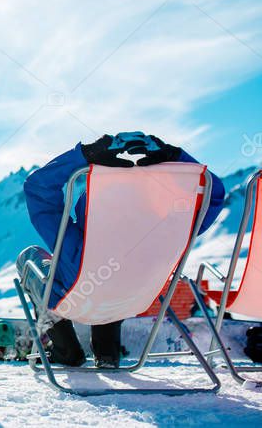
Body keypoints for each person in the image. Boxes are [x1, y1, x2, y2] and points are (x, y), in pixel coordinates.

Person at [16, 132, 225, 368]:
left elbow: (37, 187)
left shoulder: (77, 242)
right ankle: (107, 352)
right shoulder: (167, 229)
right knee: (117, 276)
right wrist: (173, 155)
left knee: (30, 258)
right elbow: (213, 193)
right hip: (134, 302)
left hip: (74, 301)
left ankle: (67, 351)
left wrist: (84, 155)